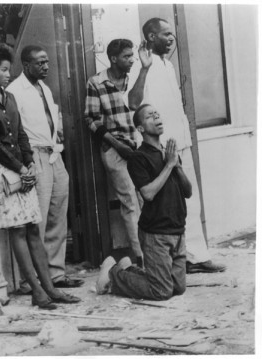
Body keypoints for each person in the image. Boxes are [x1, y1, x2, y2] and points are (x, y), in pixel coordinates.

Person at [0, 45, 81, 309]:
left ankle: (51, 283)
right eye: (3, 69)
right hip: (10, 169)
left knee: (45, 221)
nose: (46, 66)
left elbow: (20, 133)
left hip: (38, 159)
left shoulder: (16, 95)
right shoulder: (1, 95)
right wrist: (24, 165)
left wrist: (26, 164)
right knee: (25, 229)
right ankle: (34, 286)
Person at [128, 18, 226, 274]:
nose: (171, 39)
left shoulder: (168, 65)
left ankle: (195, 257)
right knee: (163, 203)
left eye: (172, 34)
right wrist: (144, 69)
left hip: (180, 143)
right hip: (160, 149)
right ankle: (167, 260)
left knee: (189, 201)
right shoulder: (143, 65)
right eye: (166, 34)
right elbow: (132, 102)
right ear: (150, 37)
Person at [7, 45, 83, 291]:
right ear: (26, 65)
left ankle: (55, 274)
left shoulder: (45, 89)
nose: (46, 66)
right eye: (40, 63)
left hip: (53, 155)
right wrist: (25, 163)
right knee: (36, 220)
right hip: (34, 157)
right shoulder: (14, 91)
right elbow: (15, 132)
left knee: (58, 215)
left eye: (47, 62)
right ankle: (33, 280)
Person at [96, 104, 191, 300]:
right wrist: (169, 166)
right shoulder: (138, 158)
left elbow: (188, 191)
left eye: (157, 113)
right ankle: (114, 274)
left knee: (178, 288)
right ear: (140, 129)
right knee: (162, 292)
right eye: (150, 116)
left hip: (177, 230)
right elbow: (148, 193)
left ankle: (129, 269)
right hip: (156, 232)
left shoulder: (169, 153)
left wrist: (176, 166)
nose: (156, 116)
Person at [84, 39, 143, 267]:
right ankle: (141, 257)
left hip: (136, 148)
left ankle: (151, 251)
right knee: (129, 201)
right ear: (113, 58)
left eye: (132, 56)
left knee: (144, 198)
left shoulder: (132, 80)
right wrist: (118, 145)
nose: (131, 60)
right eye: (127, 56)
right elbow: (91, 119)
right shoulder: (97, 82)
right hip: (115, 149)